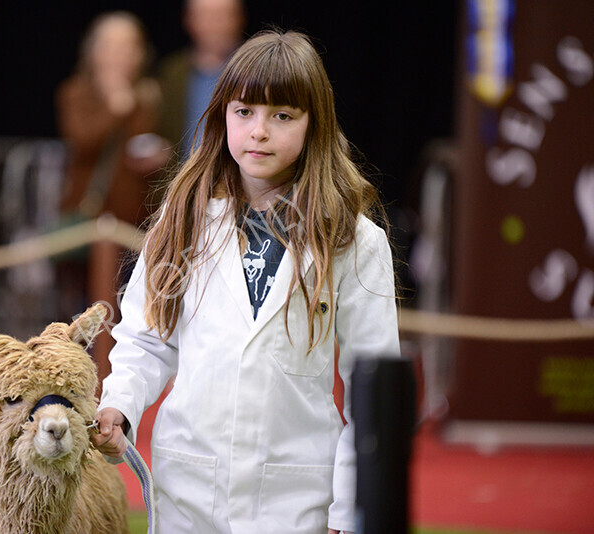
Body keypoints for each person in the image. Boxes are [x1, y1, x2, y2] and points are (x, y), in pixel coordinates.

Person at [93, 30, 400, 534]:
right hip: (187, 490)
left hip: (299, 499)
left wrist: (347, 514)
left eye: (282, 115)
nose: (259, 131)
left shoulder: (354, 239)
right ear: (222, 116)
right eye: (244, 111)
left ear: (314, 125)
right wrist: (119, 406)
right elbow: (147, 341)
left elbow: (373, 395)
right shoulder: (183, 217)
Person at [55, 11, 167, 387]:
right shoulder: (75, 92)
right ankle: (86, 379)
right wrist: (116, 108)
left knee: (131, 310)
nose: (120, 55)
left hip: (135, 226)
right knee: (84, 310)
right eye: (111, 45)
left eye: (128, 46)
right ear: (93, 52)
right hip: (86, 225)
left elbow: (149, 145)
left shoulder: (151, 95)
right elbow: (82, 141)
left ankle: (123, 380)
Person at [156, 0, 245, 159]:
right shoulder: (173, 72)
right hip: (184, 175)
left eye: (221, 16)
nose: (214, 25)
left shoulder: (255, 70)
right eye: (205, 15)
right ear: (189, 20)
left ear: (239, 19)